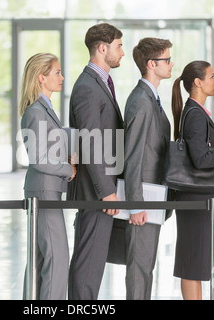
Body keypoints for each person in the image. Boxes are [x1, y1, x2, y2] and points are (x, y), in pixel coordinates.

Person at [67, 23, 124, 300]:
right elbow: (89, 142)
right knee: (89, 260)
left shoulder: (100, 82)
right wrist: (107, 191)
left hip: (100, 188)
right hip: (95, 192)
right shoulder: (88, 86)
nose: (122, 53)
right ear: (103, 48)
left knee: (93, 259)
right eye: (119, 46)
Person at [19, 53, 76, 300]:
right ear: (41, 78)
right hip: (43, 192)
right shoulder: (35, 112)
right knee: (57, 259)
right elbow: (39, 159)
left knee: (40, 259)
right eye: (56, 72)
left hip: (47, 191)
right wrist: (68, 169)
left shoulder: (45, 109)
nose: (62, 77)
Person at [171, 61, 214, 300]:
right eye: (212, 77)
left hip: (196, 200)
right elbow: (201, 159)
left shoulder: (195, 111)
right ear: (198, 82)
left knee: (194, 263)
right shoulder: (195, 114)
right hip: (196, 200)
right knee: (192, 264)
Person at [123, 37, 173, 300]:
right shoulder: (141, 101)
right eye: (167, 59)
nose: (171, 64)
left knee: (146, 266)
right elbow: (133, 156)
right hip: (143, 196)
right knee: (139, 267)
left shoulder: (151, 98)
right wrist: (135, 204)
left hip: (152, 195)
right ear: (152, 64)